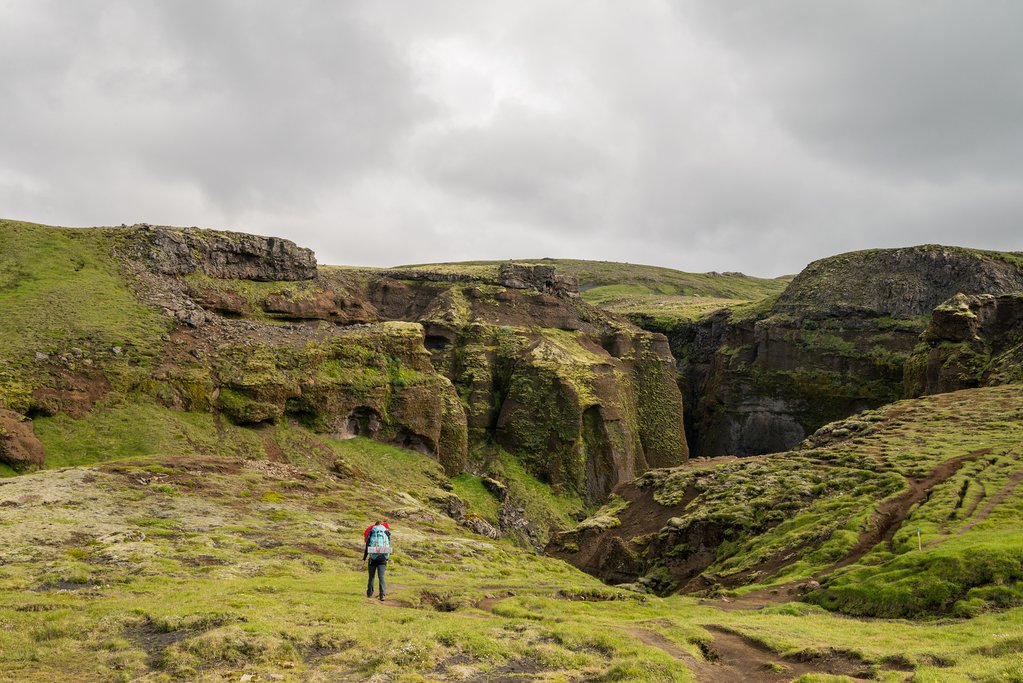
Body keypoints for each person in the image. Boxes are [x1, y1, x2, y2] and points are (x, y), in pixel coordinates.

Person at [363, 520, 391, 600]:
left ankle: (369, 593)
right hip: (383, 558)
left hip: (372, 558)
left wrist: (364, 558)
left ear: (375, 525)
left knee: (371, 577)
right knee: (381, 577)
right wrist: (387, 558)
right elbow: (388, 545)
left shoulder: (372, 532)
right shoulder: (386, 532)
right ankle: (382, 594)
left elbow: (367, 547)